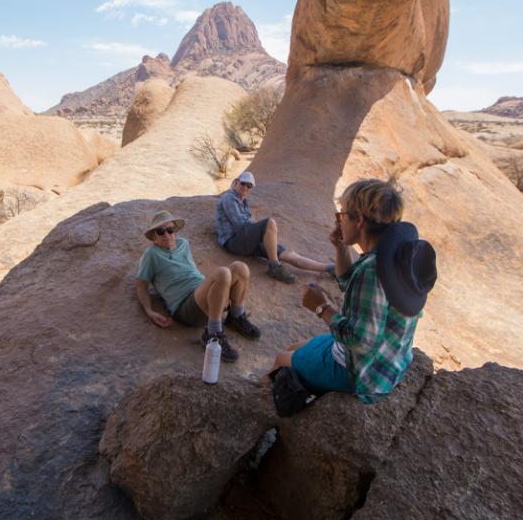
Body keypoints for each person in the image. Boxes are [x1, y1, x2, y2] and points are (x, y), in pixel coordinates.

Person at [265, 179, 436, 403]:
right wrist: (341, 247)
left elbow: (361, 340)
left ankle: (261, 406)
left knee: (281, 358)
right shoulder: (393, 254)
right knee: (295, 347)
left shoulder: (372, 271)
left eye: (342, 215)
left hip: (363, 373)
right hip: (390, 360)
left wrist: (321, 307)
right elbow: (349, 282)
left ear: (360, 221)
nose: (339, 220)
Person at [135, 210, 262, 362]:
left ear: (175, 231)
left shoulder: (183, 244)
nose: (167, 235)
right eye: (161, 232)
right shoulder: (151, 255)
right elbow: (141, 286)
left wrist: (213, 286)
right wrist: (149, 311)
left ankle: (235, 317)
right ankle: (213, 333)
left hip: (203, 294)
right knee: (222, 273)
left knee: (240, 267)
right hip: (185, 306)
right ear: (154, 237)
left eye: (170, 230)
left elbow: (190, 271)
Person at [216, 170, 333, 284]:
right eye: (243, 183)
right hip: (233, 242)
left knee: (287, 253)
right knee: (269, 223)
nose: (245, 187)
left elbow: (248, 226)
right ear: (236, 182)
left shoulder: (244, 202)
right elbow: (240, 226)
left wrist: (265, 238)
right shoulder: (229, 198)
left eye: (249, 185)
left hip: (246, 242)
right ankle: (274, 266)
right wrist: (261, 231)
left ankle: (328, 268)